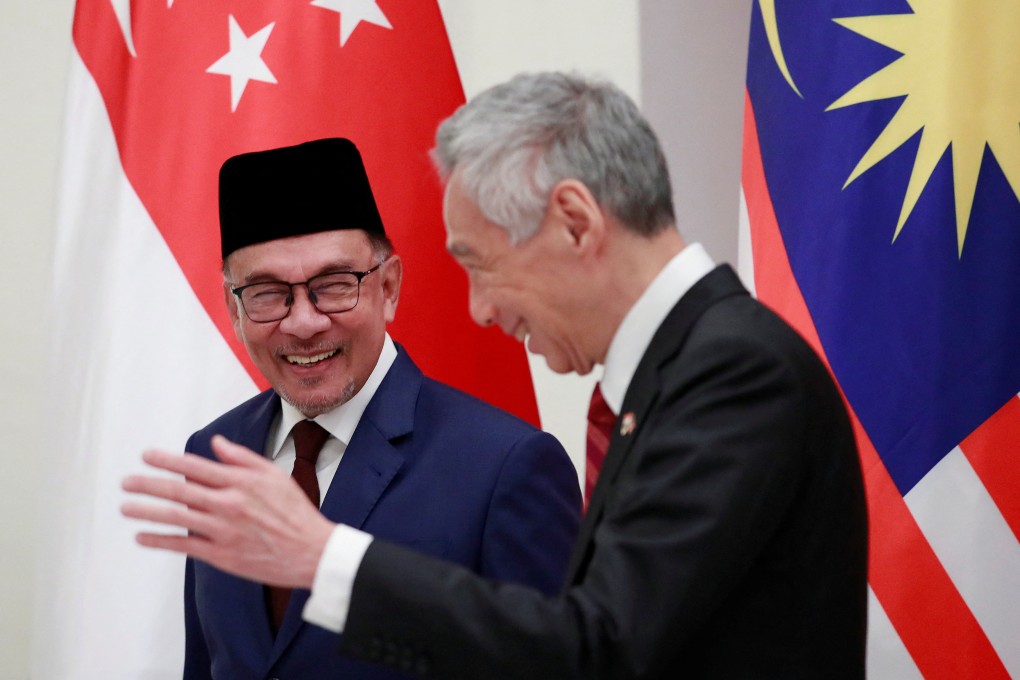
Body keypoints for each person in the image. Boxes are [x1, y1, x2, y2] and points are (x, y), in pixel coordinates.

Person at [123, 73, 869, 679]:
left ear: (575, 222)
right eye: (267, 295)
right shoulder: (677, 376)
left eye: (480, 264)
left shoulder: (734, 373)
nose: (479, 308)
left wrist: (325, 558)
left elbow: (597, 648)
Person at [157, 137, 582, 679]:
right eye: (266, 293)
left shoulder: (506, 468)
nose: (303, 323)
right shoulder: (214, 455)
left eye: (335, 286)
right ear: (234, 310)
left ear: (389, 287)